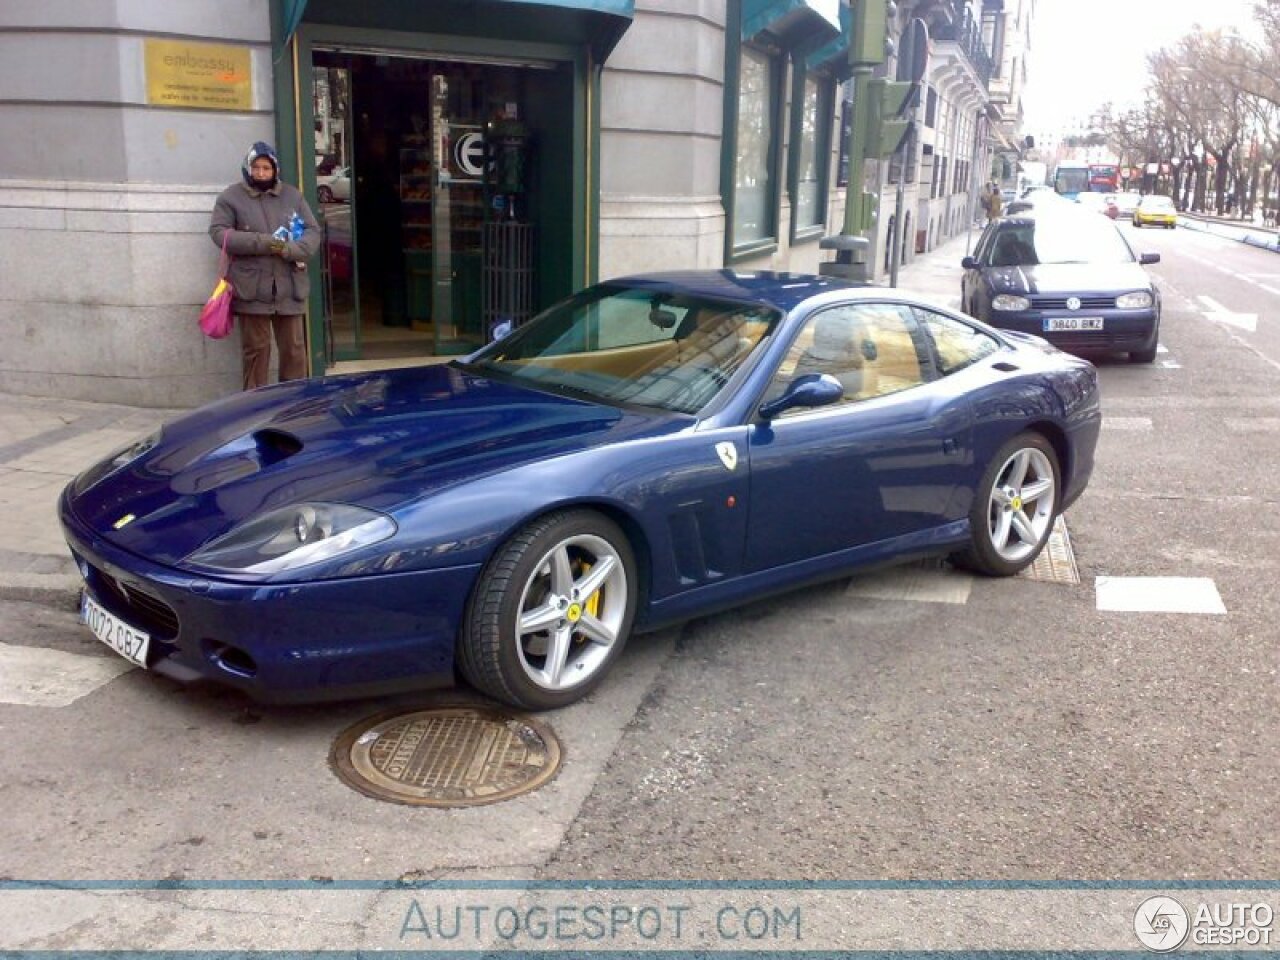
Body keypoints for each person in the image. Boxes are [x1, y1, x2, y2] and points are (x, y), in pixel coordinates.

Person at [209, 141, 321, 390]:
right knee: (256, 352)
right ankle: (254, 408)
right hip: (252, 289)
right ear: (247, 168)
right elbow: (218, 233)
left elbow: (313, 232)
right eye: (256, 168)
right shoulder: (231, 197)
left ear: (275, 169)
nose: (261, 173)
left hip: (289, 287)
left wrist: (288, 249)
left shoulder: (292, 196)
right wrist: (263, 242)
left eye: (266, 168)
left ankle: (293, 405)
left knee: (294, 352)